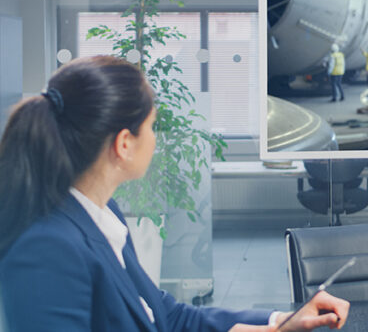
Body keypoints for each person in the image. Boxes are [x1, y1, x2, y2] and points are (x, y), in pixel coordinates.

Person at [0, 56, 349, 331]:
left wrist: (280, 322)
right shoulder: (47, 248)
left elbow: (164, 316)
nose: (155, 139)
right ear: (124, 144)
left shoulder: (103, 216)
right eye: (152, 126)